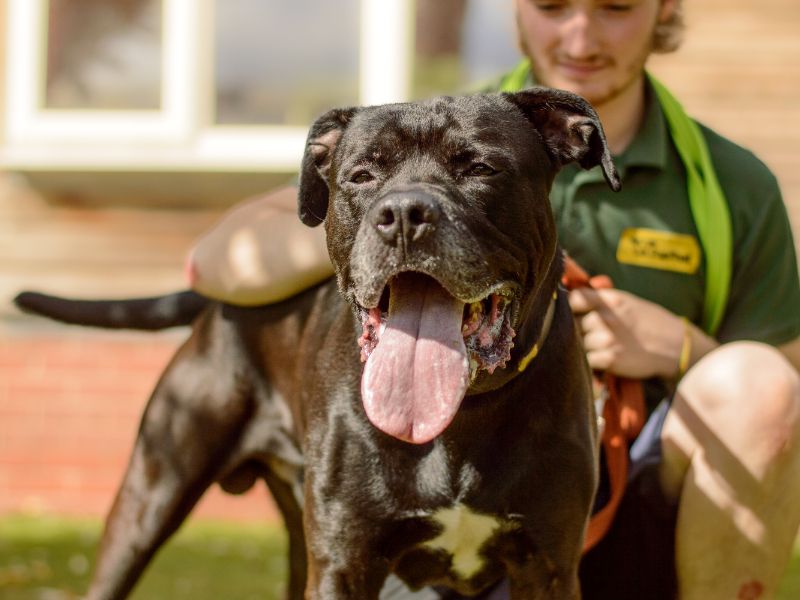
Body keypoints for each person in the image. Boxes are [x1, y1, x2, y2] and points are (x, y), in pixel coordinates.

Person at [187, 1, 800, 598]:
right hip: (444, 486)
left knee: (761, 383)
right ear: (518, 13)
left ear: (665, 11)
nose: (581, 37)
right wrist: (395, 232)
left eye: (615, 8)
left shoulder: (729, 182)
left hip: (637, 487)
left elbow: (786, 393)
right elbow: (213, 259)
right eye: (553, 6)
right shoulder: (451, 126)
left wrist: (681, 346)